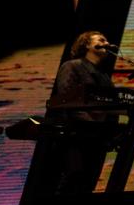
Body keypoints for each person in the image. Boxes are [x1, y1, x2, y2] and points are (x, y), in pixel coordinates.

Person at [43, 30, 116, 194]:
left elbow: (113, 105)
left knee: (88, 183)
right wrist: (90, 124)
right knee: (73, 180)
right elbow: (67, 99)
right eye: (101, 40)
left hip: (98, 138)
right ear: (87, 44)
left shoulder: (104, 76)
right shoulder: (72, 66)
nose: (106, 43)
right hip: (75, 136)